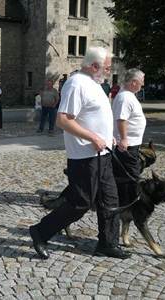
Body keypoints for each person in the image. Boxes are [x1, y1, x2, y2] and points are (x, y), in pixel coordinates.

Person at [29, 47, 131, 260]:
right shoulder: (76, 83)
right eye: (107, 67)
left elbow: (93, 117)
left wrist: (107, 136)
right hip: (84, 157)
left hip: (102, 154)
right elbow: (63, 119)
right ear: (95, 66)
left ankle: (108, 244)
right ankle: (41, 231)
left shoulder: (95, 84)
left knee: (110, 200)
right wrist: (93, 137)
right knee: (80, 203)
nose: (108, 71)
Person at [112, 68, 147, 210]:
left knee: (127, 176)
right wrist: (124, 138)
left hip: (131, 145)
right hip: (127, 146)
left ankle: (124, 200)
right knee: (130, 177)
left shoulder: (128, 95)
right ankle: (128, 204)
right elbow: (121, 119)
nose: (142, 85)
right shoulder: (125, 97)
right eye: (141, 82)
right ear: (133, 82)